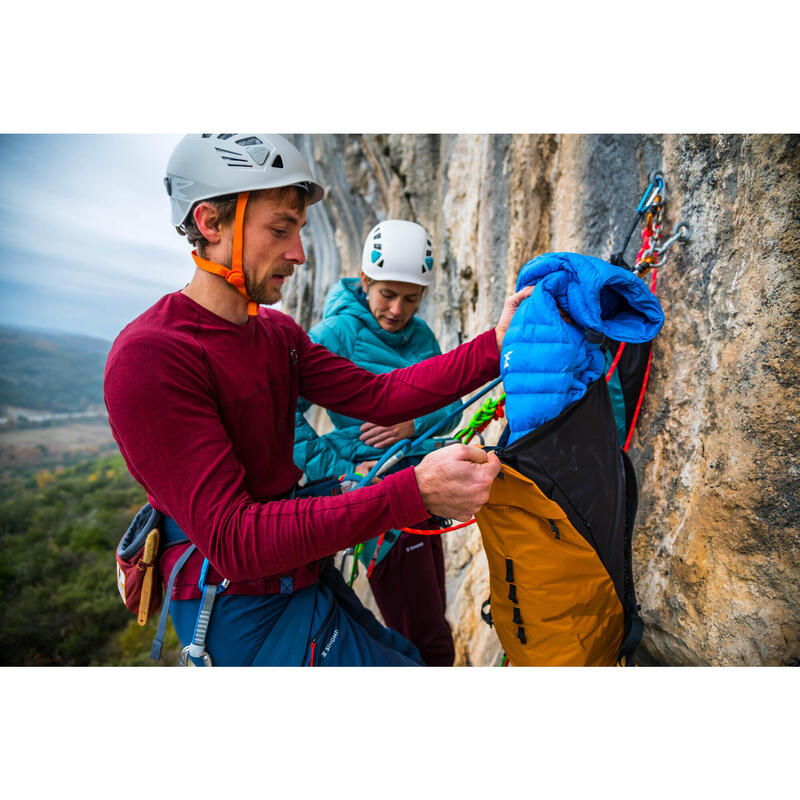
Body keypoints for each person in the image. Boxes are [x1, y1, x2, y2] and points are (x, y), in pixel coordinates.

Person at [104, 133, 532, 666]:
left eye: (300, 231)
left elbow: (380, 394)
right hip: (243, 610)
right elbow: (234, 540)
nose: (300, 253)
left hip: (298, 576)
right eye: (281, 229)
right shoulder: (153, 358)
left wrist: (495, 346)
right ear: (210, 223)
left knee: (421, 657)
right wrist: (414, 491)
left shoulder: (277, 337)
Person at [294, 219, 461, 666]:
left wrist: (413, 421)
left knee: (432, 616)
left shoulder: (422, 337)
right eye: (387, 293)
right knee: (420, 631)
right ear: (364, 280)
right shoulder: (335, 334)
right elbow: (283, 412)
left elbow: (453, 405)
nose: (396, 309)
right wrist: (341, 470)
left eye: (411, 298)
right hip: (377, 494)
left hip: (426, 485)